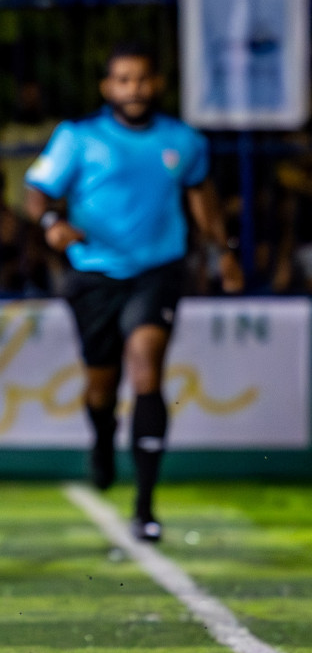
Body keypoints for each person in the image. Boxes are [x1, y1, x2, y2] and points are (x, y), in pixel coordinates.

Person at [26, 42, 243, 542]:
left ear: (157, 83)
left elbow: (201, 194)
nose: (134, 88)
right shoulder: (78, 137)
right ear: (108, 87)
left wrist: (223, 250)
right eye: (123, 80)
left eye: (142, 78)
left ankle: (145, 506)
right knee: (101, 387)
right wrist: (53, 223)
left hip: (158, 270)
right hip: (94, 273)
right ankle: (103, 439)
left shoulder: (182, 140)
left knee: (147, 366)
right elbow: (37, 191)